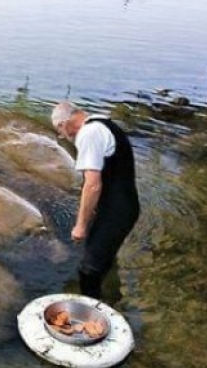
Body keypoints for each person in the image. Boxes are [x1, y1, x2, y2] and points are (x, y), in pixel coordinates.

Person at [50, 100, 140, 302]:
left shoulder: (89, 134)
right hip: (122, 206)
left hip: (117, 211)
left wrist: (80, 225)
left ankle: (92, 317)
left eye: (60, 132)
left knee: (88, 270)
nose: (62, 137)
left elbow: (92, 185)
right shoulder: (103, 123)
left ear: (64, 125)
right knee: (103, 257)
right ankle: (112, 297)